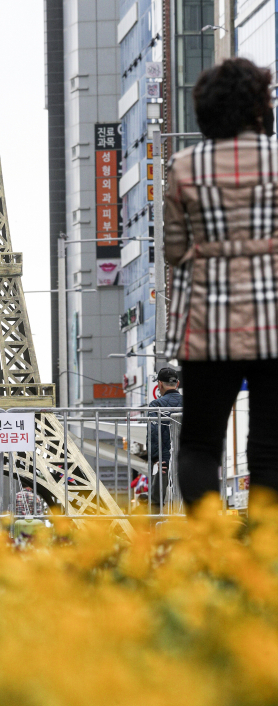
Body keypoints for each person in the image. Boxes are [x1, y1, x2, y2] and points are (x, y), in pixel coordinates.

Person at [164, 57, 278, 508]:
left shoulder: (184, 166)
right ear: (259, 106)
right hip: (274, 317)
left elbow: (174, 250)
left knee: (199, 445)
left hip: (208, 322)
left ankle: (212, 551)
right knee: (271, 446)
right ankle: (265, 552)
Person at [146, 367, 183, 511]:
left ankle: (154, 530)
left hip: (164, 462)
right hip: (188, 459)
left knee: (156, 499)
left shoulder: (156, 405)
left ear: (160, 384)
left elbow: (154, 433)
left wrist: (155, 459)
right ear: (177, 383)